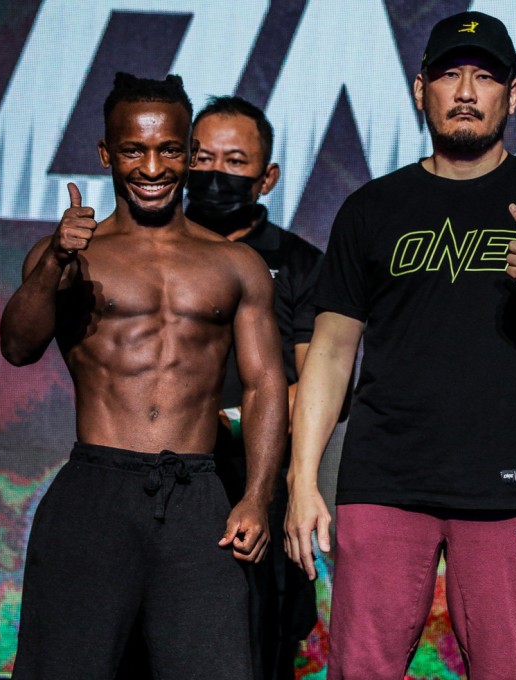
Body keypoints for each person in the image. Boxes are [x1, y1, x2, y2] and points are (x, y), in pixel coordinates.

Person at [284, 11, 516, 679]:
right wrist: (300, 477)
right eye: (449, 75)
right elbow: (329, 352)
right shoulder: (372, 208)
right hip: (383, 481)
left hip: (505, 486)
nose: (466, 91)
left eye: (485, 77)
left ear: (512, 95)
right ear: (420, 89)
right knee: (360, 671)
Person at [0, 73, 287, 680]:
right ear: (107, 154)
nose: (152, 167)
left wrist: (257, 496)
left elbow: (264, 386)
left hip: (199, 501)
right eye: (134, 149)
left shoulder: (236, 263)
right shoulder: (70, 255)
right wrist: (54, 261)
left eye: (169, 150)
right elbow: (17, 347)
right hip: (95, 493)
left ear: (187, 153)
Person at [187, 95, 323, 680]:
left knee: (255, 647)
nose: (215, 173)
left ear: (266, 177)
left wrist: (237, 423)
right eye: (201, 156)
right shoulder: (150, 251)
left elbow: (320, 380)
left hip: (257, 488)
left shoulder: (299, 263)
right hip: (160, 482)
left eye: (235, 161)